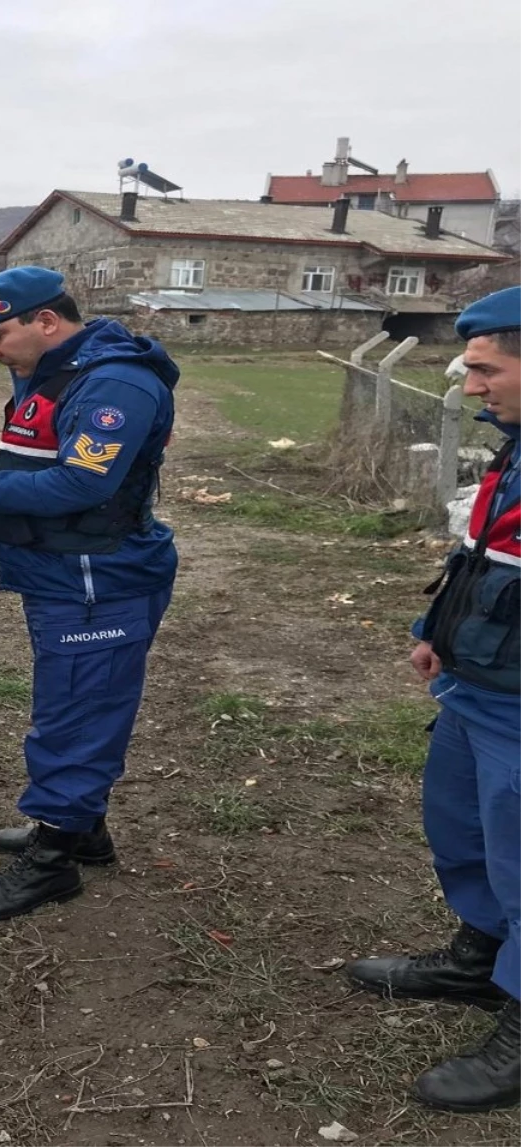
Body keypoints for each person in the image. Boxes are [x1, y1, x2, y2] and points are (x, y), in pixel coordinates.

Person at [0, 267, 178, 923]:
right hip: (61, 572)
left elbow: (80, 486)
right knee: (77, 701)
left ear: (45, 322)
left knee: (75, 715)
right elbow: (34, 462)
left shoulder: (114, 382)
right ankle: (81, 829)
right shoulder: (54, 373)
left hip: (96, 578)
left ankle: (53, 860)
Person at [346, 285, 521, 1113]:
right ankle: (481, 957)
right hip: (477, 686)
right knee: (462, 829)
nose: (471, 386)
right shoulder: (515, 444)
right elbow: (483, 555)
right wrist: (434, 629)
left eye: (485, 370)